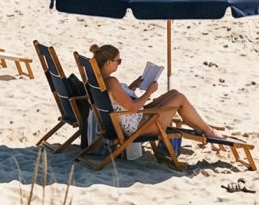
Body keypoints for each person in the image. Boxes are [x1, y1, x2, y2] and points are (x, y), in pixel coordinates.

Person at [91, 43, 226, 141]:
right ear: (108, 62)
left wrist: (133, 86)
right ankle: (207, 130)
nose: (119, 64)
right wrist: (149, 92)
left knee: (173, 93)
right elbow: (132, 108)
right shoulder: (112, 81)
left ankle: (198, 126)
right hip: (138, 127)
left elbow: (116, 101)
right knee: (179, 98)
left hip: (130, 120)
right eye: (118, 61)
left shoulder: (99, 80)